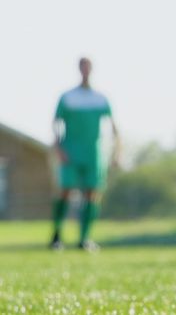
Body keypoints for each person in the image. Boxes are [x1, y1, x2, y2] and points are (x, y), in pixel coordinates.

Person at [50, 58, 120, 252]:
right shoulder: (68, 97)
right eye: (83, 67)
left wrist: (117, 152)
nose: (86, 71)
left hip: (93, 152)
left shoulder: (100, 98)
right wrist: (58, 147)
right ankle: (56, 235)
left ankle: (85, 238)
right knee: (65, 190)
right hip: (70, 149)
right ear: (79, 69)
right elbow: (56, 123)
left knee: (92, 193)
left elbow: (113, 127)